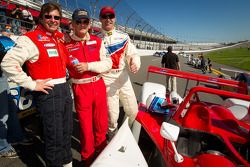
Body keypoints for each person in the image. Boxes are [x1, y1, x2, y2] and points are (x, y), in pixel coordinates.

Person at [1, 2, 73, 167]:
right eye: (48, 16)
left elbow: (69, 57)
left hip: (64, 90)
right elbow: (8, 63)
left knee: (66, 134)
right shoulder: (30, 38)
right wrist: (32, 84)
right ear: (41, 17)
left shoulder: (59, 38)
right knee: (54, 139)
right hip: (49, 92)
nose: (53, 20)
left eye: (56, 17)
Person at [65, 9, 112, 165]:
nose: (82, 24)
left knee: (101, 125)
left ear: (90, 24)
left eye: (85, 21)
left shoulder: (98, 41)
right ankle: (88, 159)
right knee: (85, 129)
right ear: (72, 24)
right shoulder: (64, 43)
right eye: (78, 21)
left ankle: (102, 157)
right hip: (81, 89)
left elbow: (108, 63)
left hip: (98, 85)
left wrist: (88, 66)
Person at [97, 6, 141, 140]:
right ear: (100, 19)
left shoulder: (124, 37)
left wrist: (134, 63)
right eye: (104, 16)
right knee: (112, 117)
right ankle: (112, 139)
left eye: (110, 16)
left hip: (123, 78)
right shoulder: (95, 39)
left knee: (133, 112)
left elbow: (133, 54)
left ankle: (124, 134)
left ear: (114, 19)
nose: (108, 19)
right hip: (107, 80)